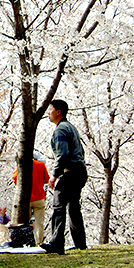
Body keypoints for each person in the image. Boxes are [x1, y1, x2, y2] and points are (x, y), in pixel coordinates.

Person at [41, 99, 88, 254]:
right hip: (80, 170)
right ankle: (80, 243)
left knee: (58, 203)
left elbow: (62, 155)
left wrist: (54, 175)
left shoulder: (60, 130)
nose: (49, 112)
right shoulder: (71, 127)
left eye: (51, 109)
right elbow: (81, 151)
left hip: (71, 171)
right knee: (74, 206)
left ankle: (56, 243)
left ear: (58, 111)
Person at [12, 152, 51, 244]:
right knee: (39, 222)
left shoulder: (23, 165)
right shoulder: (41, 165)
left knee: (25, 222)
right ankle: (38, 242)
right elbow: (46, 180)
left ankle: (25, 241)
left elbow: (15, 178)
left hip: (26, 199)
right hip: (39, 198)